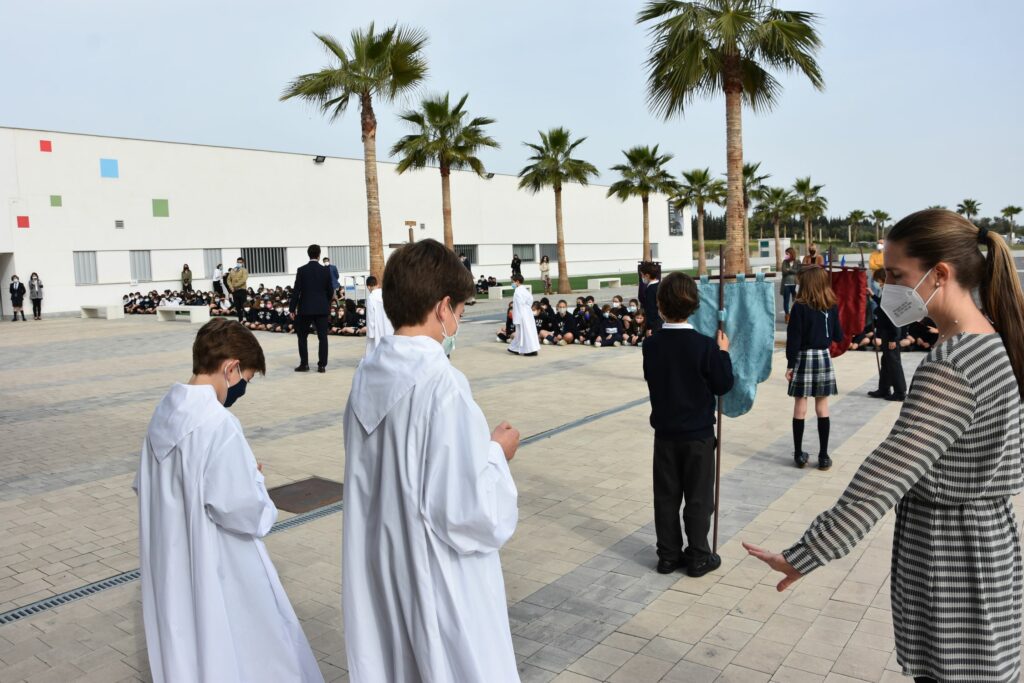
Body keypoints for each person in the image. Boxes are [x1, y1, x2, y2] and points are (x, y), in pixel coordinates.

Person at [745, 209, 1024, 683]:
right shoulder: (993, 342)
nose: (888, 287)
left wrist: (806, 551)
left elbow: (887, 473)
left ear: (940, 274)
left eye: (896, 275)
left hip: (951, 556)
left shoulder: (952, 365)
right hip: (989, 545)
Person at [343, 238, 520, 682]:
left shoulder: (366, 375)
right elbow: (467, 512)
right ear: (443, 308)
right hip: (437, 575)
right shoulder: (443, 385)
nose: (458, 321)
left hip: (384, 561)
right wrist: (497, 455)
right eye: (460, 312)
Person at [134, 318, 322, 683]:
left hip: (171, 566)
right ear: (230, 368)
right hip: (217, 567)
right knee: (250, 652)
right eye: (245, 380)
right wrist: (254, 477)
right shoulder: (216, 423)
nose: (240, 390)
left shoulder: (163, 412)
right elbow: (248, 513)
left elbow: (152, 485)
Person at [643, 272, 733, 577]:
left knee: (666, 496)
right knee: (698, 497)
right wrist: (723, 353)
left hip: (665, 434)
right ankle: (697, 555)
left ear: (660, 305)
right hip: (698, 436)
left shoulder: (651, 345)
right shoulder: (705, 347)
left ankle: (668, 556)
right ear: (693, 304)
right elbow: (722, 385)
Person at [785, 266, 843, 470]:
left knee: (800, 407)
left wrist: (790, 365)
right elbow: (838, 336)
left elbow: (793, 340)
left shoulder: (799, 307)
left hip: (803, 357)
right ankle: (824, 456)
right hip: (823, 357)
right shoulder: (831, 306)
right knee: (822, 408)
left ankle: (799, 454)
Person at [290, 245, 333, 373]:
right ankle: (322, 365)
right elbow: (330, 290)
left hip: (305, 308)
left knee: (302, 337)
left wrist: (292, 308)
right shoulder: (325, 270)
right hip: (321, 308)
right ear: (319, 255)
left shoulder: (302, 270)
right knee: (322, 337)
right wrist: (326, 302)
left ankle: (304, 364)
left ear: (308, 254)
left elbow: (296, 291)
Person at [867, 269, 907, 401]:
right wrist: (873, 296)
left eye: (877, 280)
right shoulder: (888, 292)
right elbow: (884, 307)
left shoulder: (891, 293)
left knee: (893, 362)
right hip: (887, 332)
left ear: (882, 279)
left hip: (891, 334)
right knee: (887, 361)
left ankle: (900, 392)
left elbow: (893, 317)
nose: (876, 282)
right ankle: (884, 388)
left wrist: (893, 338)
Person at [508, 275, 539, 356]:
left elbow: (518, 305)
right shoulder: (524, 290)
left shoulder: (517, 291)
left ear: (517, 281)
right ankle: (515, 348)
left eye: (512, 282)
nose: (512, 283)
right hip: (527, 313)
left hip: (521, 315)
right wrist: (527, 307)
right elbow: (530, 299)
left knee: (524, 333)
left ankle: (529, 350)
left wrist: (517, 318)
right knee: (526, 332)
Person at [364, 275, 393, 355]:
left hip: (378, 328)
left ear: (368, 287)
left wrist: (371, 333)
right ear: (377, 284)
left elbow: (370, 317)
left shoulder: (371, 297)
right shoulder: (386, 294)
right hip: (389, 326)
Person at [640, 263, 662, 335]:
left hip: (655, 323)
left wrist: (650, 327)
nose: (642, 277)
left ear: (647, 275)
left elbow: (651, 309)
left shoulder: (651, 289)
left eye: (642, 275)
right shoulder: (660, 285)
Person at [226, 257, 249, 323]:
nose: (239, 263)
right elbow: (228, 279)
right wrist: (231, 287)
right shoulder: (233, 270)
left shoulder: (244, 270)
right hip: (234, 291)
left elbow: (243, 280)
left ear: (242, 263)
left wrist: (235, 286)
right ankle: (240, 320)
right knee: (237, 306)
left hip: (242, 290)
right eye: (238, 262)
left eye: (240, 262)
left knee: (243, 306)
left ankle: (248, 320)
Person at [781, 247, 799, 323]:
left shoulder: (797, 261)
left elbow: (798, 271)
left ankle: (795, 316)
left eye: (787, 254)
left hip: (795, 284)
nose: (786, 255)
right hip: (786, 284)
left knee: (796, 301)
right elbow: (784, 271)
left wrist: (789, 270)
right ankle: (787, 316)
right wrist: (792, 271)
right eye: (786, 254)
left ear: (791, 254)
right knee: (786, 301)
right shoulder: (784, 262)